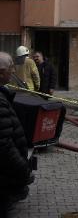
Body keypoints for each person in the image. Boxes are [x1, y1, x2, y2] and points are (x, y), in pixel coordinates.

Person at [0, 52, 32, 218]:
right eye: (11, 68)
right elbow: (3, 144)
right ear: (1, 72)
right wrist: (23, 168)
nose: (13, 71)